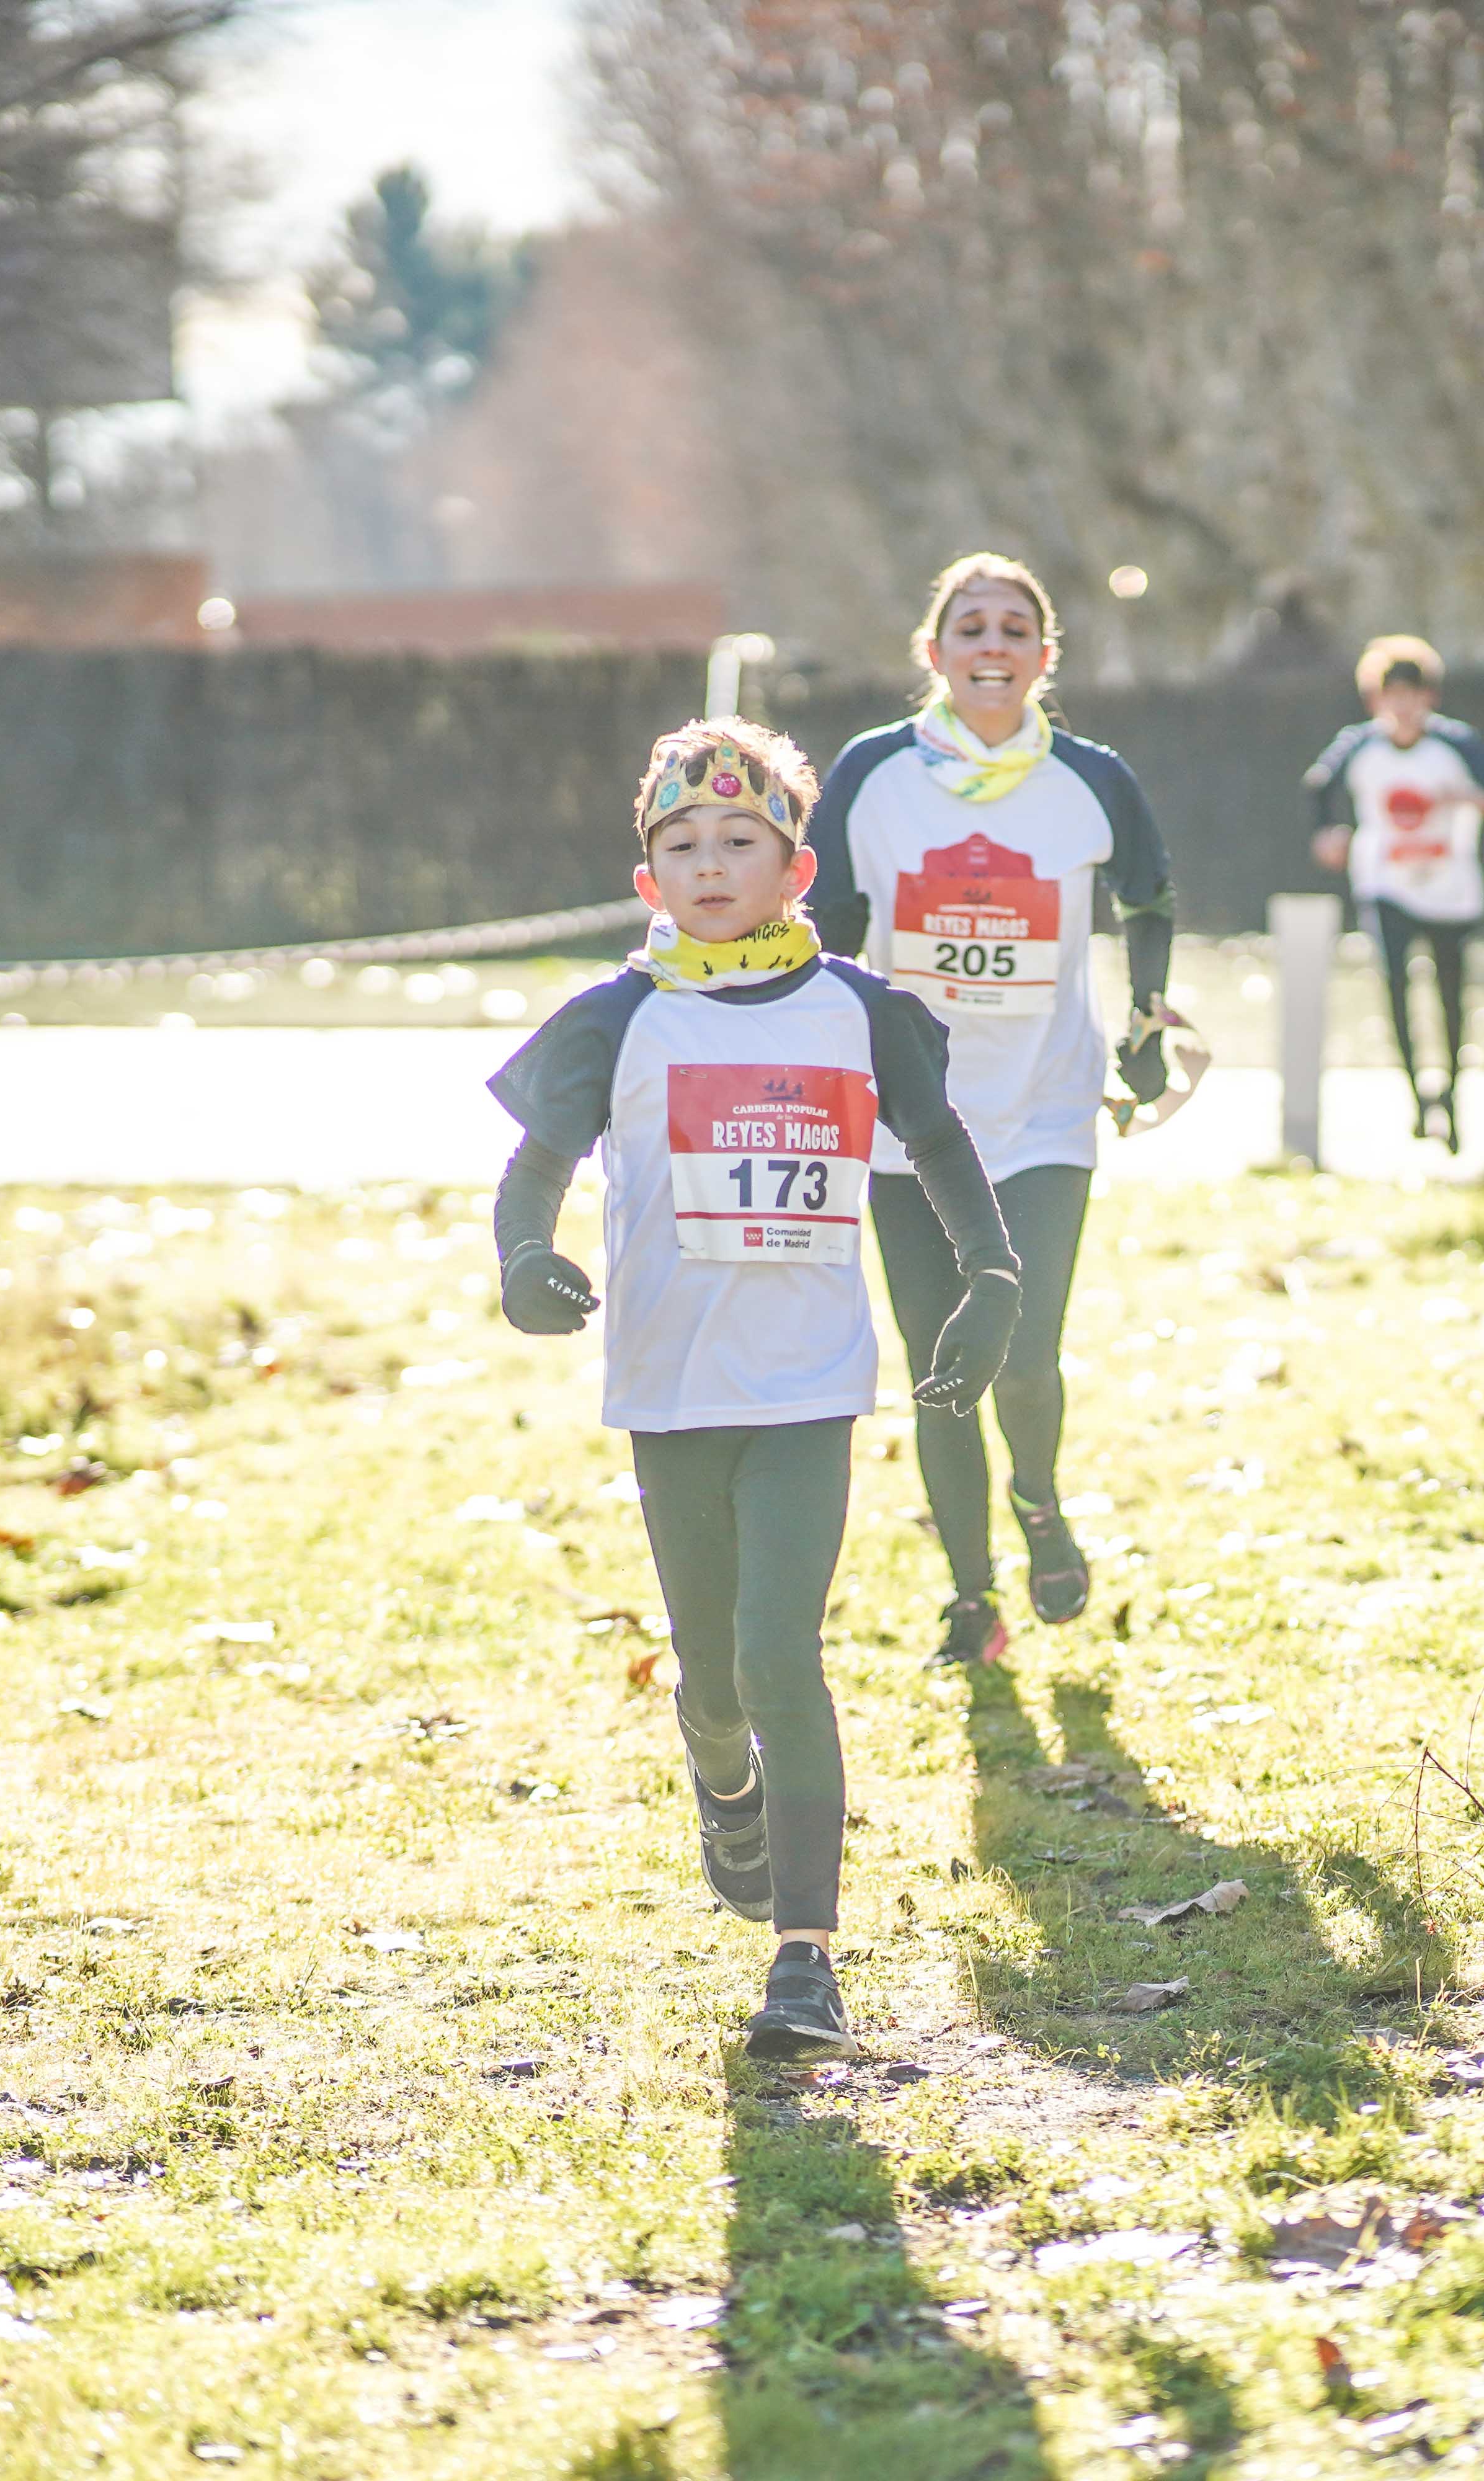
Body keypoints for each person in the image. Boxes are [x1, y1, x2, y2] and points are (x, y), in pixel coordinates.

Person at [486, 718, 1022, 2059]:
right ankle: (719, 1772)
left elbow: (944, 1144)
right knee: (716, 1677)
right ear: (646, 878)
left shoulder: (861, 1008)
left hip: (807, 1386)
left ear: (797, 865)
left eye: (740, 841)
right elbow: (537, 1167)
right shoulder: (617, 1016)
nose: (711, 863)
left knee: (784, 1656)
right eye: (682, 845)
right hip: (669, 1389)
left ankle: (806, 1960)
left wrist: (993, 1274)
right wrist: (521, 1255)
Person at [804, 553, 1176, 1670]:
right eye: (971, 626)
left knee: (1022, 1356)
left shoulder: (1090, 777)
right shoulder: (874, 773)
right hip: (905, 1121)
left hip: (1044, 1109)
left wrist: (1148, 1027)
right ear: (935, 653)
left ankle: (1043, 1501)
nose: (992, 645)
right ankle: (973, 1599)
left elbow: (1150, 893)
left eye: (1015, 628)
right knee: (941, 1369)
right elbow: (824, 918)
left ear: (1044, 658)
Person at [1302, 633, 1484, 1152]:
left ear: (1429, 697)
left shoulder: (1456, 744)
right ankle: (1415, 1099)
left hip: (1449, 887)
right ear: (1375, 699)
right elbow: (1319, 786)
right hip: (1386, 884)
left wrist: (1475, 799)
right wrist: (1328, 833)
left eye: (1412, 693)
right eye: (1391, 694)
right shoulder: (1358, 745)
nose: (1402, 706)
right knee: (1395, 987)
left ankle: (1450, 1095)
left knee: (1450, 995)